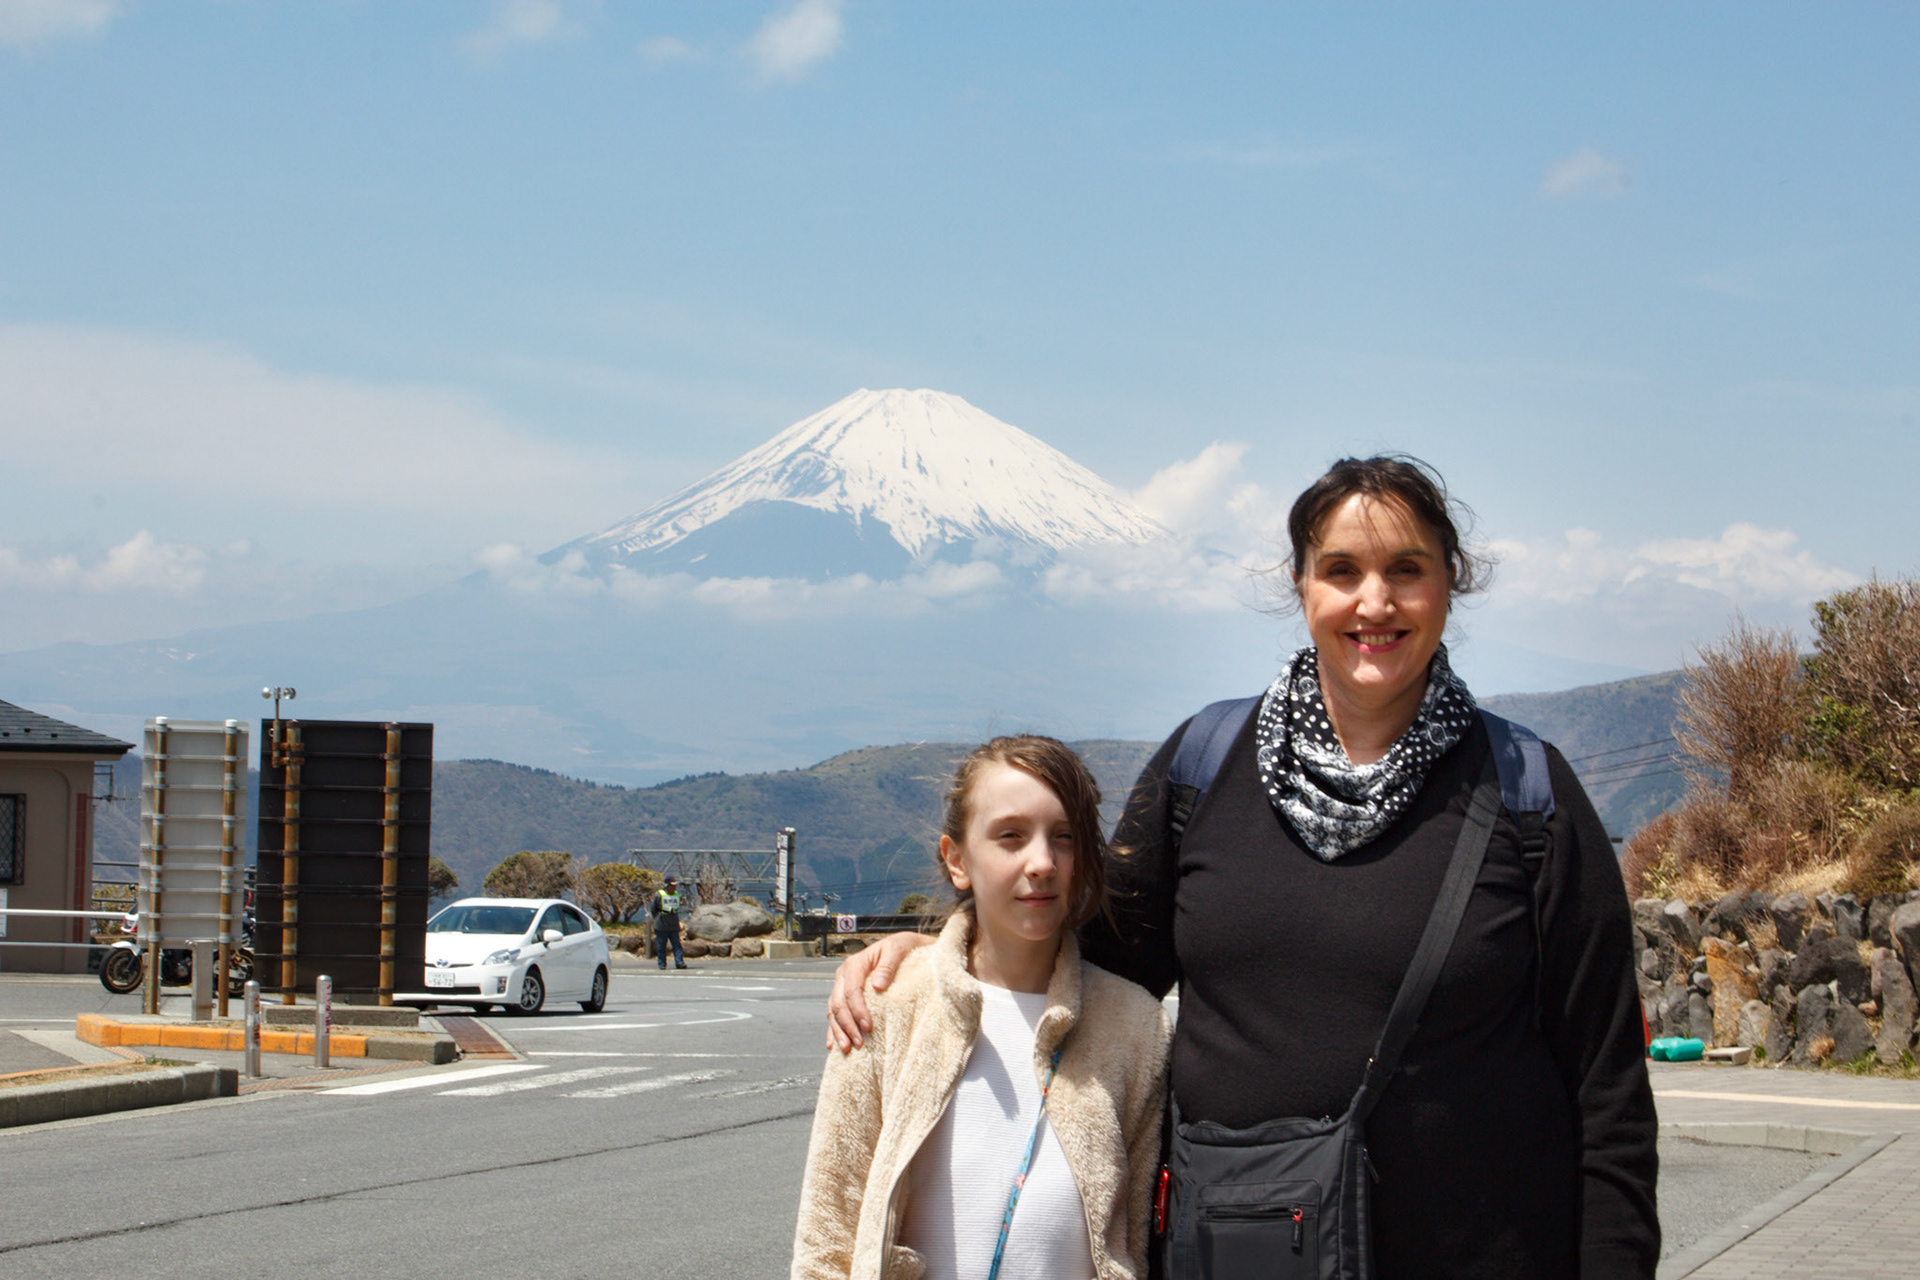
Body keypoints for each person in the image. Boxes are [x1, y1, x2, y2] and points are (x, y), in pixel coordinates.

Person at [827, 456, 1660, 1279]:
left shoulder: (1527, 794)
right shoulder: (1205, 769)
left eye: (1407, 569)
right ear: (1301, 586)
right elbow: (1083, 971)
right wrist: (937, 954)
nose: (1375, 602)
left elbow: (1608, 1089)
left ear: (1451, 580)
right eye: (1342, 570)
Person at [792, 735, 1171, 1280]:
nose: (1042, 862)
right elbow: (827, 1237)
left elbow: (1133, 1245)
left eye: (1064, 837)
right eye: (1010, 836)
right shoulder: (886, 1005)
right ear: (957, 859)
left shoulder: (1136, 1027)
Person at [652, 874, 687, 970]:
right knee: (661, 946)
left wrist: (682, 902)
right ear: (667, 885)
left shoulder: (676, 895)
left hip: (673, 925)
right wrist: (658, 918)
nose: (674, 888)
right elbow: (653, 909)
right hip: (661, 925)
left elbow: (681, 905)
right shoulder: (659, 895)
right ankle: (662, 964)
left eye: (675, 885)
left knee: (677, 945)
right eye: (672, 885)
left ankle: (680, 962)